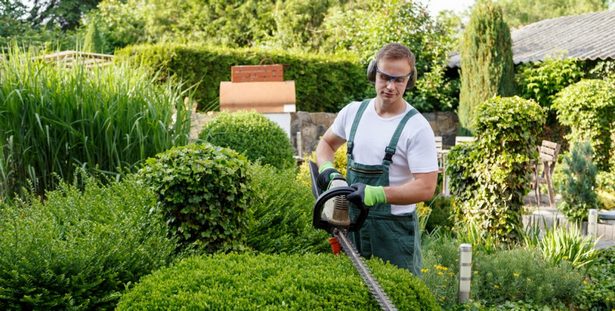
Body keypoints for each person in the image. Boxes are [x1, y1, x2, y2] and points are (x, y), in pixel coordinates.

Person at [315, 42, 438, 275]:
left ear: (409, 81)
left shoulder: (416, 127)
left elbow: (426, 187)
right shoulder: (353, 113)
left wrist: (377, 193)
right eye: (385, 77)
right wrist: (330, 172)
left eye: (399, 80)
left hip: (393, 233)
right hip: (351, 226)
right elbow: (326, 144)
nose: (390, 86)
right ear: (374, 74)